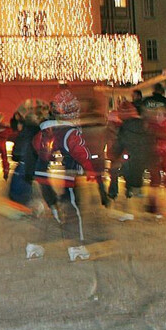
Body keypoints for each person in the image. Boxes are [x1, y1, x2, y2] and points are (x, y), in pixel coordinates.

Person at [26, 90, 101, 261]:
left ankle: (34, 245)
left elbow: (35, 146)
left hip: (43, 174)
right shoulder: (70, 132)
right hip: (66, 176)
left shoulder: (45, 130)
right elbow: (81, 152)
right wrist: (90, 170)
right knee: (72, 210)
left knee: (48, 209)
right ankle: (76, 247)